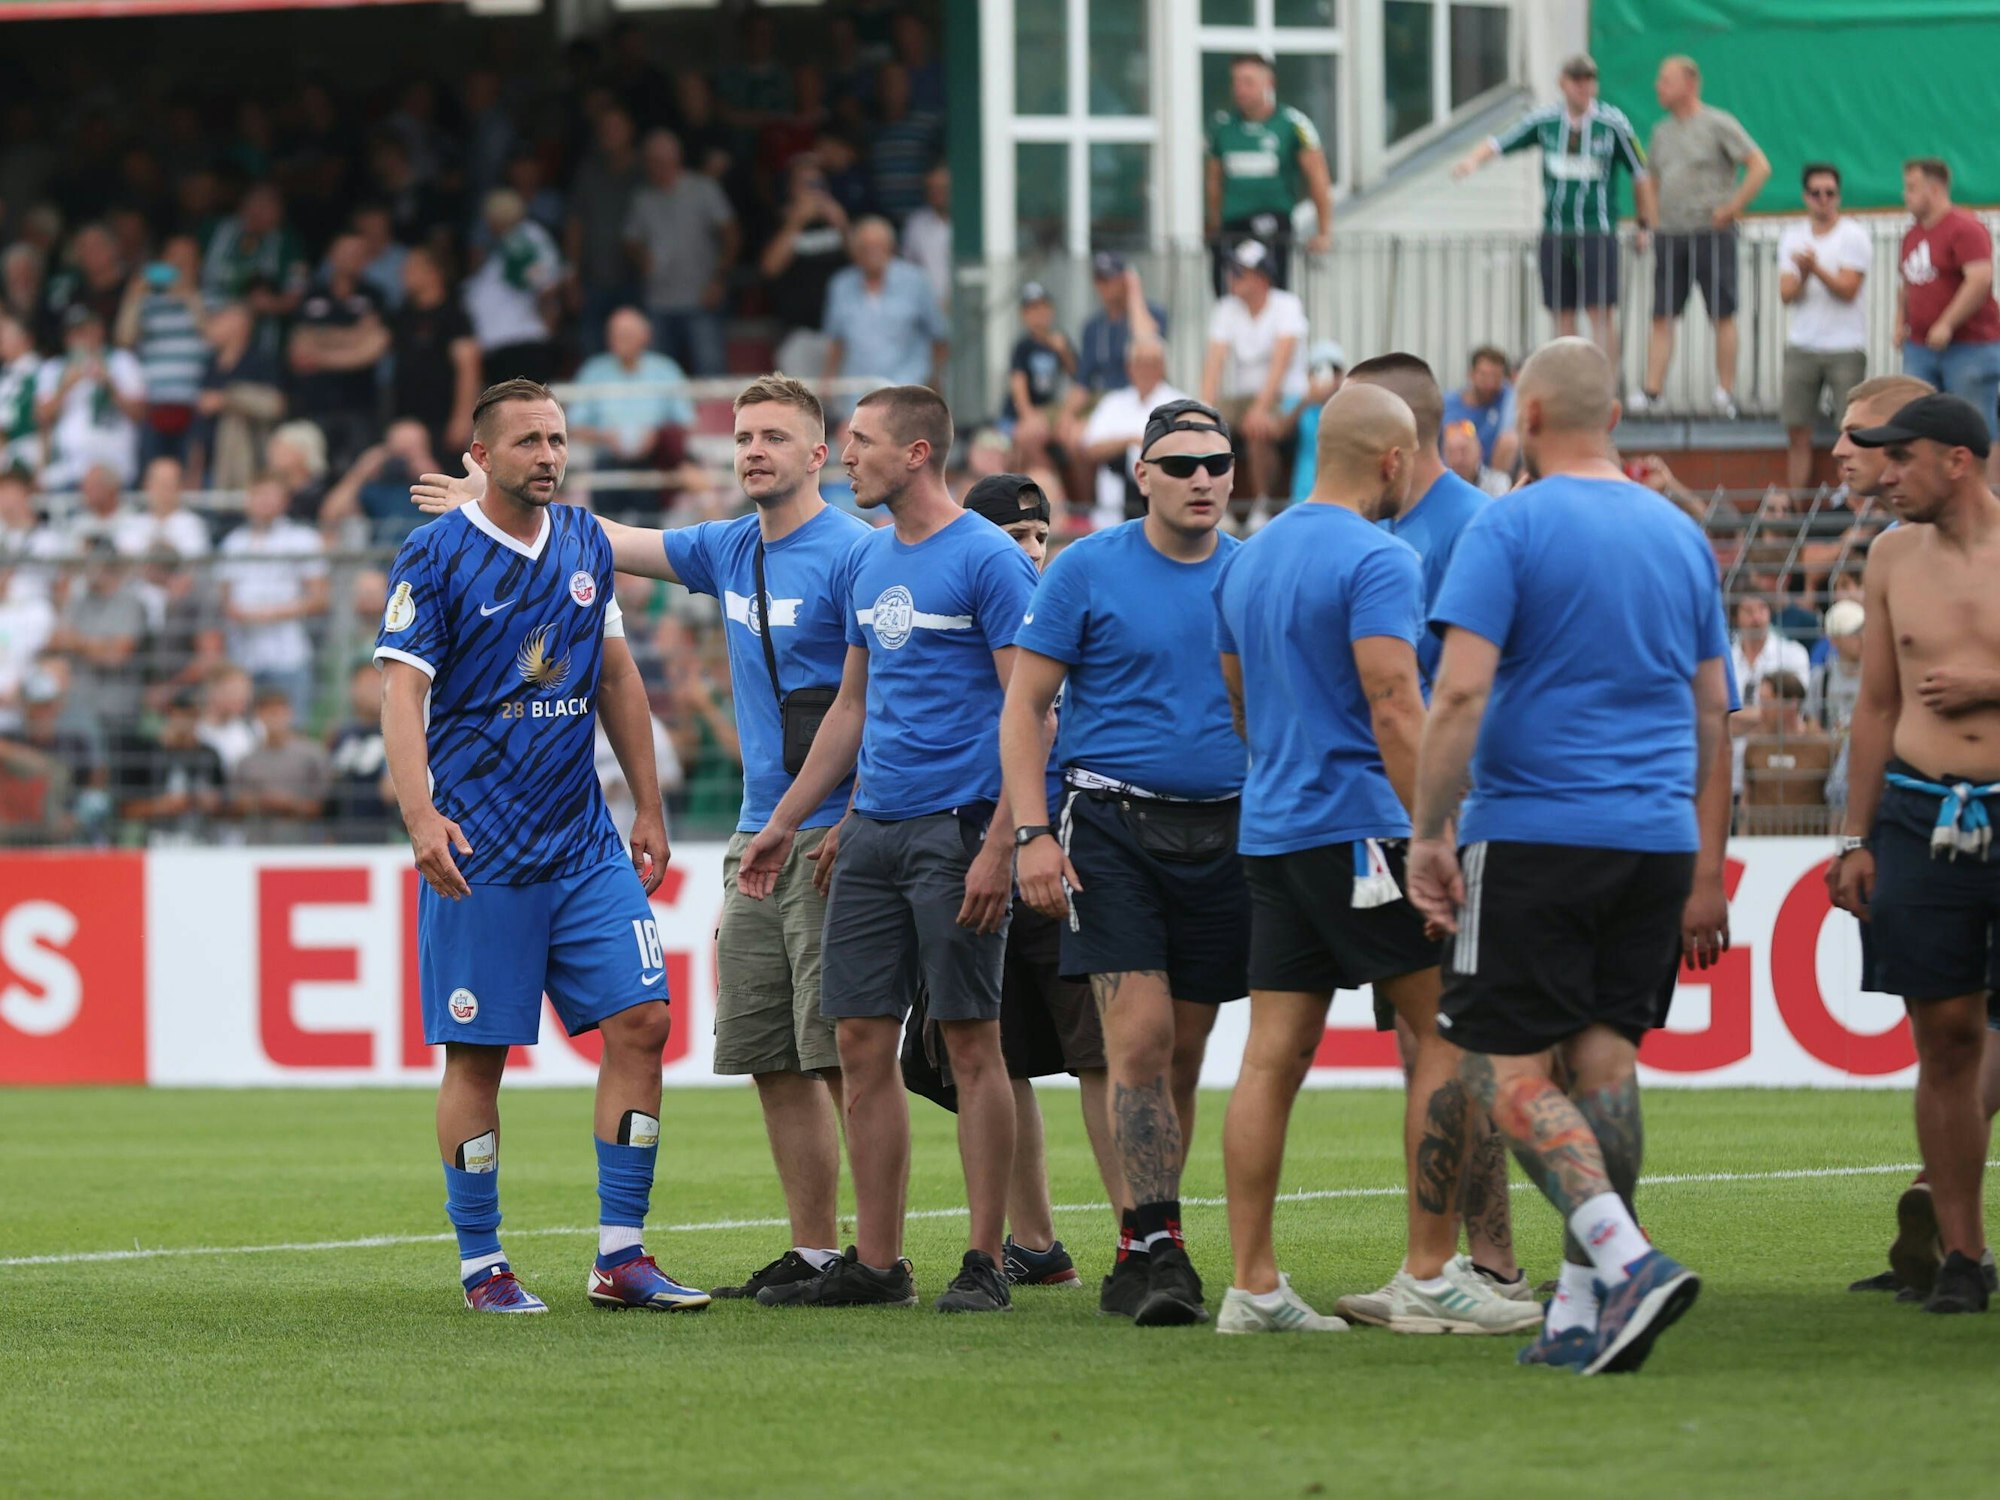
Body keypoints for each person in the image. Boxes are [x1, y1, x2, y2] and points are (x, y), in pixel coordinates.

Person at [1406, 337, 1731, 1375]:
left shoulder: (1508, 524)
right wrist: (1706, 864)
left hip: (1538, 828)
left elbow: (1455, 695)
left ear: (1530, 413)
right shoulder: (1678, 536)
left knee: (1501, 1070)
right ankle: (1586, 1308)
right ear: (1616, 419)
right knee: (1604, 1060)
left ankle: (1621, 1257)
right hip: (1653, 835)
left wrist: (1426, 831)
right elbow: (1712, 715)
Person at [376, 377, 704, 1316]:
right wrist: (421, 815)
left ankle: (621, 1254)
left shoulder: (588, 543)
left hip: (581, 842)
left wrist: (647, 803)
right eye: (528, 441)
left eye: (557, 439)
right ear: (481, 455)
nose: (550, 455)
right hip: (480, 854)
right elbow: (402, 692)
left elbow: (613, 673)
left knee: (644, 1022)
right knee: (478, 1057)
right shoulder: (434, 554)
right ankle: (483, 1263)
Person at [1214, 382, 1523, 1337]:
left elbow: (1238, 704)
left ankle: (1254, 1288)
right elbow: (1396, 702)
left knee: (1271, 1059)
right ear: (1394, 461)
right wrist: (1435, 830)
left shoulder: (1247, 558)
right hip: (1363, 832)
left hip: (1271, 829)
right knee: (1451, 1031)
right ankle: (1431, 1273)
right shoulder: (1380, 557)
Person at [737, 385, 1039, 1314]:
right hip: (868, 832)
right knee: (861, 1041)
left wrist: (1004, 842)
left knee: (972, 1042)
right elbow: (852, 710)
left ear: (916, 453)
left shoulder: (989, 560)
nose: (849, 456)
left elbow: (1027, 711)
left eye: (861, 442)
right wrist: (792, 820)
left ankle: (987, 1258)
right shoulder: (869, 564)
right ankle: (879, 1263)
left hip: (958, 832)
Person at [1001, 397, 1248, 1326]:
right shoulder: (1086, 570)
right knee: (1136, 1041)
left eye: (1218, 463)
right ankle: (1156, 1249)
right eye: (1181, 464)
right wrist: (1032, 833)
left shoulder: (1252, 574)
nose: (1202, 479)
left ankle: (1145, 1236)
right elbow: (1024, 708)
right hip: (1111, 826)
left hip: (1230, 832)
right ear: (1141, 473)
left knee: (1183, 1053)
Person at [897, 473, 1123, 1290]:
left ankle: (1141, 1238)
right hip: (972, 844)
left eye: (1039, 538)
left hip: (1064, 845)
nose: (1031, 552)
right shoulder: (966, 601)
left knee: (1100, 1052)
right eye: (1014, 538)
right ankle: (1036, 1242)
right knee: (999, 1053)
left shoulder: (1068, 610)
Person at [1339, 352, 1527, 1303]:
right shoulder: (1381, 532)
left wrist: (1444, 824)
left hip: (1460, 826)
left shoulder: (1474, 530)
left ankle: (1490, 1258)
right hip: (1393, 827)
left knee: (1465, 1046)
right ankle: (1457, 1259)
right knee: (1429, 1048)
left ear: (1395, 442)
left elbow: (1468, 694)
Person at [1832, 393, 2000, 1314]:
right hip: (1919, 816)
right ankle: (1965, 1253)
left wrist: (1991, 682)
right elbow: (1876, 709)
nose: (1885, 476)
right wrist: (1856, 838)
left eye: (1903, 459)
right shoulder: (1891, 557)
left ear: (1959, 462)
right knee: (1944, 1038)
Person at [1452, 55, 1651, 368]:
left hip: (1597, 231)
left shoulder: (1613, 124)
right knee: (1562, 311)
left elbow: (1640, 173)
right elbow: (1501, 141)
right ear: (1563, 83)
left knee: (1600, 311)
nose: (1583, 87)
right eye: (1576, 79)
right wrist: (1472, 161)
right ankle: (1569, 377)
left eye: (1588, 79)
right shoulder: (1545, 121)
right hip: (1556, 232)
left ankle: (1604, 382)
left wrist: (1645, 225)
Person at [1633, 57, 1770, 419]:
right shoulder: (1661, 132)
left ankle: (1724, 392)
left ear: (1689, 83)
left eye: (1665, 80)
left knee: (1721, 313)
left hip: (1712, 234)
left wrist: (1733, 207)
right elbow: (1650, 179)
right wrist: (1651, 222)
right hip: (1671, 235)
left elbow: (1759, 165)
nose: (1658, 87)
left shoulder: (1718, 123)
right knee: (1662, 314)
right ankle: (1652, 391)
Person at [1896, 159, 2000, 481]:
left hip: (1970, 347)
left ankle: (1986, 495)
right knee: (1922, 424)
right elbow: (1908, 283)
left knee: (1976, 424)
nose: (1905, 195)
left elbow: (1980, 279)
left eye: (1912, 188)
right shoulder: (1912, 234)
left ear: (1935, 188)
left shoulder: (1964, 228)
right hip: (1921, 348)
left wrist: (1947, 322)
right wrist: (1899, 321)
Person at [1203, 53, 1333, 293]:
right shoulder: (1221, 126)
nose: (1240, 89)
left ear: (1269, 83)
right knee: (1226, 290)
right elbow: (1213, 181)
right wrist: (1212, 225)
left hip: (1273, 223)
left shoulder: (1293, 124)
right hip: (1232, 224)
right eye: (1236, 82)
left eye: (1248, 82)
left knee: (1271, 291)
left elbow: (1317, 177)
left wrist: (1324, 231)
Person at [1778, 164, 1871, 494]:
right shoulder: (1792, 235)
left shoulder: (1854, 235)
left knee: (1851, 431)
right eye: (1816, 193)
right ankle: (1796, 511)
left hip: (1845, 347)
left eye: (1829, 193)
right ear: (1805, 197)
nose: (1823, 200)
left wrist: (1813, 267)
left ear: (1838, 196)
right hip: (1803, 344)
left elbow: (1848, 290)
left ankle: (1847, 505)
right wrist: (1804, 274)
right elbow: (1787, 293)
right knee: (1797, 431)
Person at [1200, 240, 1307, 520]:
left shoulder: (1287, 305)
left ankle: (1263, 505)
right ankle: (1213, 503)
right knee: (1200, 429)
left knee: (1258, 426)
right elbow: (1214, 364)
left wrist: (1260, 407)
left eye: (1238, 271)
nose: (1229, 276)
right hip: (1241, 398)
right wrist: (1203, 409)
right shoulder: (1226, 308)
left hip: (1283, 397)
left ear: (1261, 278)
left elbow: (1280, 366)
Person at [623, 130, 737, 379]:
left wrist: (719, 279)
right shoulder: (642, 198)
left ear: (677, 159)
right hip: (658, 301)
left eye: (661, 161)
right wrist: (640, 256)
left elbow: (731, 234)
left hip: (702, 297)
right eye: (651, 161)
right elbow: (630, 241)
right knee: (653, 376)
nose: (656, 167)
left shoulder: (703, 188)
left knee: (711, 372)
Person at [215, 475, 330, 721]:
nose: (264, 503)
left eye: (271, 496)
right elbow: (223, 598)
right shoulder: (234, 543)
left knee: (292, 725)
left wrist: (269, 614)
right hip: (243, 656)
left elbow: (320, 598)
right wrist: (236, 612)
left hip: (289, 654)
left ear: (284, 501)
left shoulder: (303, 539)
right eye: (259, 495)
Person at [567, 308, 698, 520]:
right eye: (615, 335)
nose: (620, 340)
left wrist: (657, 435)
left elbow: (686, 421)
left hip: (654, 461)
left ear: (645, 336)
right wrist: (603, 437)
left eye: (626, 334)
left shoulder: (665, 369)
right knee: (606, 522)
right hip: (606, 459)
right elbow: (574, 425)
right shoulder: (593, 371)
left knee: (651, 520)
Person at [286, 233, 391, 472]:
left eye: (357, 254)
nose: (350, 259)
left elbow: (376, 344)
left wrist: (320, 346)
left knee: (359, 473)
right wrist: (355, 337)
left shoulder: (375, 296)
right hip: (314, 402)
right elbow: (298, 349)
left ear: (366, 259)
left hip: (360, 403)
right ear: (331, 256)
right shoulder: (311, 294)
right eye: (345, 252)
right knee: (312, 473)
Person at [820, 217, 948, 395]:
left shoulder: (916, 281)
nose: (872, 253)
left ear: (891, 248)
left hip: (907, 389)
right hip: (858, 391)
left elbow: (940, 336)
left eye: (879, 246)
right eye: (865, 247)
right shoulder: (841, 285)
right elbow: (836, 340)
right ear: (854, 252)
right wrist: (829, 378)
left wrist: (932, 380)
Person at [1078, 337, 1189, 532]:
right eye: (1139, 363)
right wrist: (1129, 440)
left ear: (1162, 367)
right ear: (1129, 367)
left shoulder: (1180, 403)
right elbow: (1090, 449)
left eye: (1151, 363)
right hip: (1113, 511)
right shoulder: (1112, 403)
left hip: (1165, 506)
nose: (1145, 369)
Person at [565, 106, 645, 360]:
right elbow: (575, 226)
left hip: (638, 279)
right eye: (605, 129)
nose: (611, 134)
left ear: (631, 130)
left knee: (640, 355)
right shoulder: (588, 173)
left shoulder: (646, 171)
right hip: (594, 278)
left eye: (616, 128)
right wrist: (573, 276)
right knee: (592, 354)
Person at [36, 305, 145, 489]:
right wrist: (65, 386)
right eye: (75, 333)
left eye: (85, 331)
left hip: (115, 468)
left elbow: (140, 413)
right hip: (69, 469)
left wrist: (109, 384)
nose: (81, 339)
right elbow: (42, 417)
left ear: (99, 331)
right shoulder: (54, 368)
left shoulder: (122, 361)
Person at [391, 247, 480, 463]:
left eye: (412, 267)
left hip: (444, 416)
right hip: (409, 415)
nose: (404, 273)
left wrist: (462, 418)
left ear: (434, 273)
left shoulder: (453, 315)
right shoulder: (403, 314)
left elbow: (468, 366)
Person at [230, 683, 332, 843]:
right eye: (268, 712)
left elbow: (324, 806)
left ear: (289, 713)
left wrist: (290, 805)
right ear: (259, 716)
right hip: (258, 845)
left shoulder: (312, 755)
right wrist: (260, 802)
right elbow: (235, 805)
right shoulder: (247, 760)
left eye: (278, 712)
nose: (274, 718)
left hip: (301, 845)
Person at [1000, 283, 1074, 472]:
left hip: (1048, 410)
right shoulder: (1023, 347)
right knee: (1025, 442)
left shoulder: (1060, 341)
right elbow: (1018, 384)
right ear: (1023, 315)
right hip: (1019, 414)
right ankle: (1048, 483)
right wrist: (1027, 415)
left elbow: (1078, 376)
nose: (1038, 313)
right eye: (1032, 309)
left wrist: (1064, 351)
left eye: (1042, 307)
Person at [1440, 347, 1519, 478]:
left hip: (1491, 476)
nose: (1490, 383)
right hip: (1452, 473)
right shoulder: (1448, 404)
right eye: (1484, 375)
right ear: (1471, 374)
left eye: (1496, 377)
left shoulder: (1507, 399)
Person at [115, 457, 209, 561]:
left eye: (169, 485)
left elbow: (196, 563)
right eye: (159, 483)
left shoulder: (193, 525)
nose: (163, 491)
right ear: (147, 486)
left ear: (180, 487)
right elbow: (126, 560)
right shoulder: (131, 523)